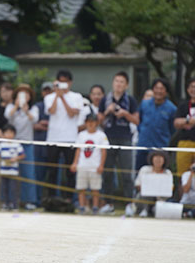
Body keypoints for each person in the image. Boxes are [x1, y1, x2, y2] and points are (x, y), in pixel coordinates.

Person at [98, 71, 139, 215]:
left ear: (126, 85)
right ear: (113, 83)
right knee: (107, 172)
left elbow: (136, 120)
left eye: (122, 82)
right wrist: (107, 111)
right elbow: (98, 121)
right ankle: (109, 203)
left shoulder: (131, 100)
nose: (118, 84)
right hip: (107, 138)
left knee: (127, 172)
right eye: (116, 81)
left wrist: (125, 114)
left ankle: (129, 203)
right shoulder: (105, 100)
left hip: (125, 138)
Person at [44, 69, 83, 199]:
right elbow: (51, 110)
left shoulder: (76, 96)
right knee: (52, 170)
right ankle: (51, 198)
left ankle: (69, 198)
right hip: (53, 138)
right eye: (60, 82)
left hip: (70, 138)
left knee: (70, 171)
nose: (63, 85)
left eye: (65, 82)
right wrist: (56, 94)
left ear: (70, 83)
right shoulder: (49, 97)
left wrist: (63, 98)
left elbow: (72, 114)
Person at [5, 83, 39, 209]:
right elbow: (8, 116)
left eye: (26, 94)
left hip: (27, 144)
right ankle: (10, 201)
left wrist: (26, 109)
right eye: (21, 94)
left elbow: (34, 119)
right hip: (12, 144)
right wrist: (16, 105)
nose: (24, 96)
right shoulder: (10, 106)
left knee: (29, 174)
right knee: (9, 173)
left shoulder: (33, 108)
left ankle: (29, 201)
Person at [70, 113, 108, 215]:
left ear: (96, 123)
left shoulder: (101, 135)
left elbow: (103, 151)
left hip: (94, 166)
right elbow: (78, 150)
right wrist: (75, 163)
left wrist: (101, 165)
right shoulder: (81, 135)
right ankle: (82, 207)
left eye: (93, 122)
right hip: (82, 165)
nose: (91, 124)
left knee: (95, 189)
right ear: (86, 123)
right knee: (81, 188)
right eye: (89, 122)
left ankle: (95, 207)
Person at [135, 79, 177, 170]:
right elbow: (139, 122)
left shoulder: (171, 108)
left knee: (159, 176)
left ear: (166, 91)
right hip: (143, 146)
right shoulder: (144, 104)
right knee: (140, 175)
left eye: (162, 89)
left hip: (160, 148)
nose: (159, 91)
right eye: (156, 88)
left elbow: (173, 129)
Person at [0, 124, 25, 210]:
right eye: (6, 133)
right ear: (3, 134)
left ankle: (14, 205)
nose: (9, 135)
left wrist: (16, 158)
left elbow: (22, 155)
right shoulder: (1, 145)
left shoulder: (17, 144)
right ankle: (5, 204)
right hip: (3, 171)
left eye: (11, 133)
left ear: (14, 134)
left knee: (14, 189)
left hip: (14, 172)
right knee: (4, 188)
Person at [134, 151, 173, 217]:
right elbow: (137, 185)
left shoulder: (167, 173)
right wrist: (149, 188)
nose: (158, 159)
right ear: (152, 159)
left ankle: (154, 211)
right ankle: (144, 210)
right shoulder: (145, 169)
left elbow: (170, 189)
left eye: (160, 157)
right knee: (141, 196)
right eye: (156, 157)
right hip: (145, 197)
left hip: (161, 198)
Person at [33, 82, 53, 204]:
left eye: (49, 91)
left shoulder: (57, 104)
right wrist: (39, 125)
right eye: (45, 91)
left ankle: (54, 200)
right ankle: (37, 200)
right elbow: (32, 123)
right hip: (39, 144)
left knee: (53, 174)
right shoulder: (37, 106)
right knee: (38, 174)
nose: (47, 93)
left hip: (53, 144)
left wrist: (49, 125)